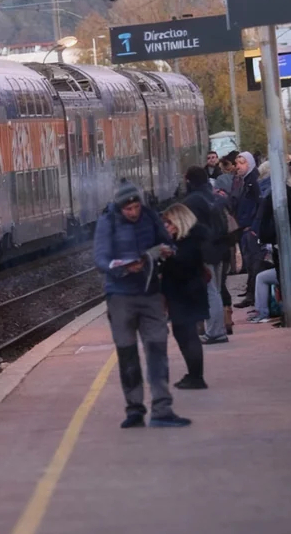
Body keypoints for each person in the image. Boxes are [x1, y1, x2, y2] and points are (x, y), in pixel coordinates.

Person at [93, 179, 191, 429]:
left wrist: (165, 250)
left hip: (150, 293)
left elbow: (169, 242)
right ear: (119, 208)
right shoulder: (108, 222)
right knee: (128, 355)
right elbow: (101, 259)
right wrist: (122, 267)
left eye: (136, 207)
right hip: (120, 296)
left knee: (157, 351)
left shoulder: (149, 217)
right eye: (128, 209)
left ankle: (162, 409)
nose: (133, 212)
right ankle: (134, 409)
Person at [160, 203, 211, 389]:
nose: (165, 226)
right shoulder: (183, 241)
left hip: (187, 295)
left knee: (188, 335)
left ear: (179, 222)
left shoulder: (188, 241)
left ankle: (197, 377)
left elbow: (186, 267)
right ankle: (193, 374)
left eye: (168, 223)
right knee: (183, 334)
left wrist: (170, 256)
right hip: (182, 294)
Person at [249, 179, 291, 323]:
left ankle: (276, 313)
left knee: (278, 278)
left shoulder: (271, 199)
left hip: (283, 250)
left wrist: (267, 237)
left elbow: (264, 229)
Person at [182, 166, 233, 341]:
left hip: (204, 251)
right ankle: (217, 330)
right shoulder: (215, 196)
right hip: (220, 249)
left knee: (210, 292)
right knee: (216, 291)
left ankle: (215, 332)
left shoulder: (192, 201)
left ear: (189, 181)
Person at [232, 151, 261, 298]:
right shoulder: (242, 181)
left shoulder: (253, 182)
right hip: (245, 226)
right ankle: (250, 291)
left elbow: (258, 204)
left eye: (242, 163)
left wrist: (253, 227)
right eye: (237, 163)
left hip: (250, 228)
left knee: (253, 261)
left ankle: (252, 293)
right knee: (248, 261)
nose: (238, 166)